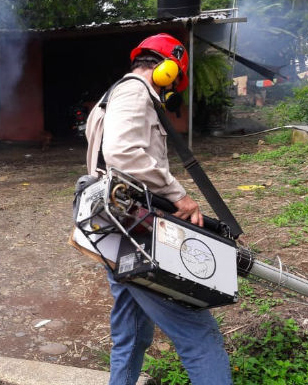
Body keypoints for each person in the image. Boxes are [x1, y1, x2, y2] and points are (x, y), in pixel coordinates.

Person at [84, 34, 232, 384]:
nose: (172, 89)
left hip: (116, 232)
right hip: (138, 231)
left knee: (132, 335)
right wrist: (180, 196)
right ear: (166, 70)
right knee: (200, 338)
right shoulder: (134, 93)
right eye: (174, 79)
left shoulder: (113, 96)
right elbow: (123, 155)